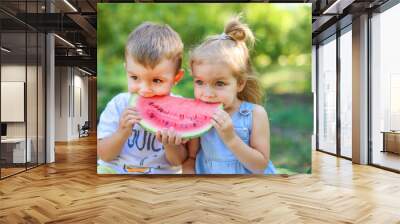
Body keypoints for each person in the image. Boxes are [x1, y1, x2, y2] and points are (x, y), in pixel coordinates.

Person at [184, 16, 276, 174]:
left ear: (240, 83)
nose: (207, 94)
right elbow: (191, 159)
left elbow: (260, 165)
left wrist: (231, 138)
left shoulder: (255, 114)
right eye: (199, 82)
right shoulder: (196, 114)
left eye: (219, 84)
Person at [97, 22, 189, 174]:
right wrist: (121, 132)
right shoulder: (118, 104)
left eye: (157, 80)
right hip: (116, 169)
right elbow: (105, 155)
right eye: (135, 77)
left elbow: (177, 162)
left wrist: (171, 144)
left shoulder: (179, 109)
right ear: (126, 69)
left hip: (159, 174)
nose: (145, 90)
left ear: (176, 77)